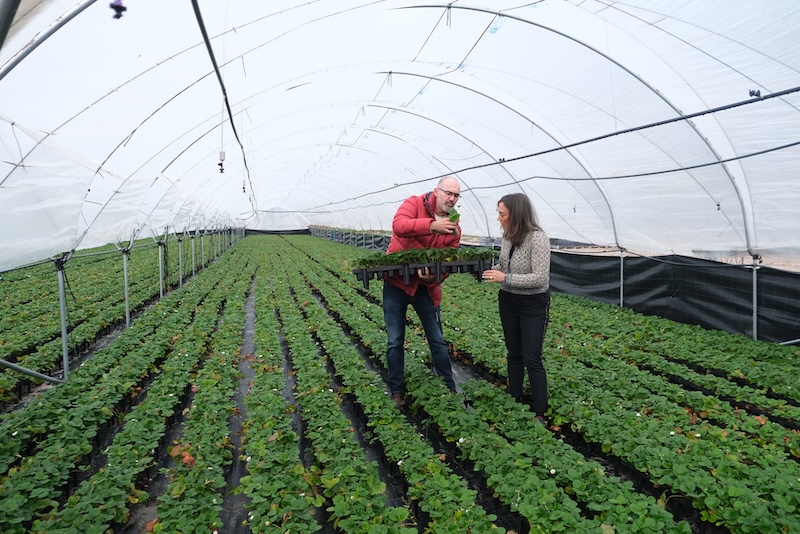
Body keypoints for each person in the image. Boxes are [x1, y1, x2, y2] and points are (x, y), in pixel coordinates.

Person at [384, 175, 461, 408]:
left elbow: (448, 260)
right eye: (449, 193)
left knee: (436, 339)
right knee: (395, 340)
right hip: (396, 284)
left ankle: (449, 386)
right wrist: (431, 225)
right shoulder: (414, 203)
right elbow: (399, 226)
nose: (452, 198)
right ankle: (396, 390)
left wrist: (435, 276)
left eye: (456, 195)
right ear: (436, 191)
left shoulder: (454, 227)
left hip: (425, 288)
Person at [481, 193, 551, 422]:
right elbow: (503, 264)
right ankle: (514, 398)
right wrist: (490, 271)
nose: (499, 218)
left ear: (516, 214)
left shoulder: (538, 239)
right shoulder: (508, 236)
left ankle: (540, 411)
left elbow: (540, 278)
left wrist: (506, 278)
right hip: (508, 301)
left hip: (533, 304)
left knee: (532, 357)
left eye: (502, 213)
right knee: (514, 354)